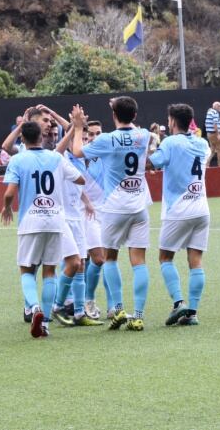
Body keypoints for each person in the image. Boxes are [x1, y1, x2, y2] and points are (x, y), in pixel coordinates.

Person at [71, 96, 152, 331]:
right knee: (139, 262)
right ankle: (137, 315)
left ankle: (117, 309)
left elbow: (76, 151)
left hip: (114, 207)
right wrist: (122, 109)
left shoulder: (107, 139)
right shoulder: (143, 135)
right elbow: (132, 125)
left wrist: (78, 127)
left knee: (111, 258)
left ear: (113, 116)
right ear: (135, 115)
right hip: (139, 207)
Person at [1, 121, 85, 338]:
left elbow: (10, 192)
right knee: (50, 271)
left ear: (23, 139)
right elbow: (80, 178)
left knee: (26, 270)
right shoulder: (56, 158)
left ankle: (35, 308)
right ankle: (45, 322)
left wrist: (7, 208)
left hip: (31, 221)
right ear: (41, 137)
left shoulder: (18, 159)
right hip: (56, 221)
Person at [149, 103, 209, 326]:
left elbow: (151, 163)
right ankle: (192, 313)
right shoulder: (202, 143)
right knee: (196, 260)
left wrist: (151, 143)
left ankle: (178, 303)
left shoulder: (170, 142)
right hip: (201, 208)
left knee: (165, 257)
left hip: (178, 209)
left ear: (173, 121)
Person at [51, 120, 104, 327]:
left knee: (81, 264)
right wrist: (75, 125)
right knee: (72, 263)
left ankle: (80, 312)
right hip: (63, 217)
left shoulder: (82, 159)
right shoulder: (62, 157)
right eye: (82, 137)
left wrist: (87, 202)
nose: (84, 141)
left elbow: (79, 186)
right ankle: (58, 306)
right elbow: (58, 151)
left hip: (79, 216)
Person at [81, 119, 108, 320]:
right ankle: (87, 300)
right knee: (96, 259)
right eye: (91, 134)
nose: (94, 138)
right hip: (85, 213)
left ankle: (113, 304)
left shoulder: (105, 155)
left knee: (104, 260)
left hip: (106, 212)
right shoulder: (78, 157)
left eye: (98, 133)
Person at [205, 101, 220, 167]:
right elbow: (215, 124)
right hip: (214, 134)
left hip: (209, 134)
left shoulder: (209, 112)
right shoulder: (215, 113)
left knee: (212, 150)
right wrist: (218, 134)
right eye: (219, 106)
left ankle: (206, 164)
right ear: (215, 106)